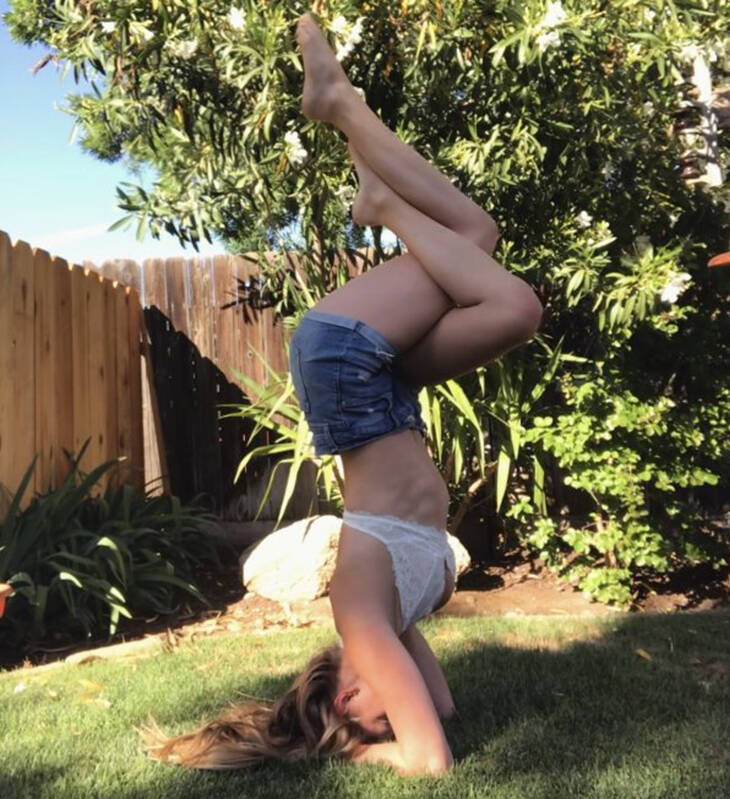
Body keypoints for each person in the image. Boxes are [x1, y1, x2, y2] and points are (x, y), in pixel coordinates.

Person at [139, 12, 543, 776]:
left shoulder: (358, 613)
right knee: (477, 238)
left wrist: (362, 746)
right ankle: (366, 169)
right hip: (387, 392)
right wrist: (361, 737)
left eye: (373, 710)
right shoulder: (394, 616)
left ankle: (351, 133)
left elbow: (429, 758)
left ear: (343, 693)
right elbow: (441, 712)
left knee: (512, 304)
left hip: (344, 370)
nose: (395, 701)